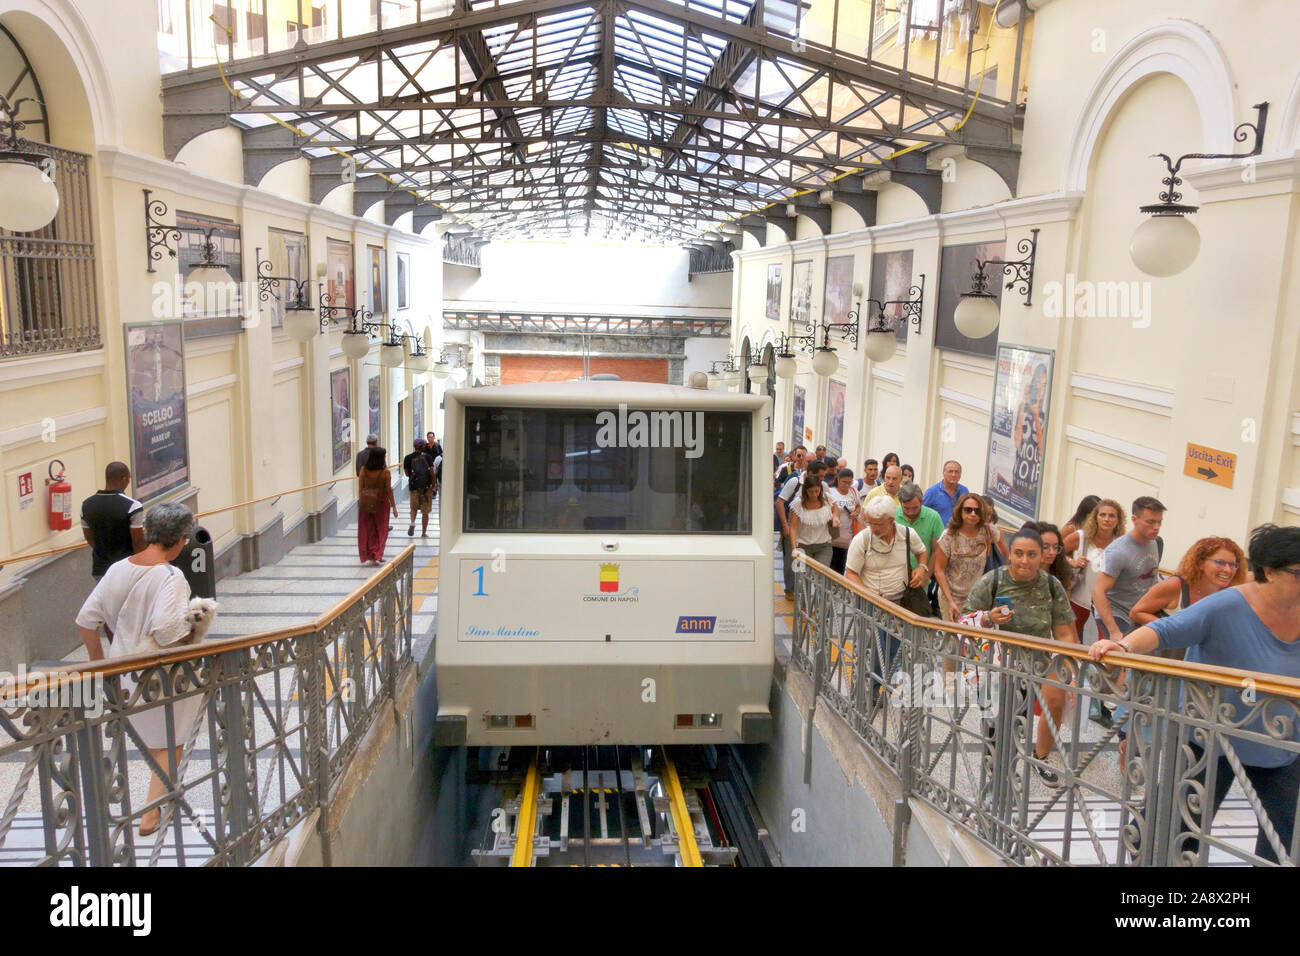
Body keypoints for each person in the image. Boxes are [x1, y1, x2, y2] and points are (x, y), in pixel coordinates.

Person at [1089, 525, 1300, 864]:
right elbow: (1165, 629)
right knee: (1168, 828)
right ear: (1271, 571)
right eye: (1299, 572)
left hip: (1281, 743)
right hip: (1209, 738)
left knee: (1282, 842)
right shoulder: (1228, 605)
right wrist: (1122, 645)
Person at [74, 502, 202, 836]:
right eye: (185, 538)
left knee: (157, 743)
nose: (186, 544)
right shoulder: (171, 577)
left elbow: (86, 620)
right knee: (172, 742)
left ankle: (162, 797)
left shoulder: (117, 569)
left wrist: (99, 663)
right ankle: (150, 813)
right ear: (177, 539)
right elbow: (166, 631)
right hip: (160, 676)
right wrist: (194, 628)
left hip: (123, 673)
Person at [964, 526, 1079, 787]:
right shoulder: (993, 581)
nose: (1024, 561)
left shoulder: (1051, 585)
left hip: (1031, 669)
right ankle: (995, 777)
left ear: (1042, 557)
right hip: (994, 666)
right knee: (995, 725)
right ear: (1010, 555)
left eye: (1031, 554)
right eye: (1018, 553)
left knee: (1018, 723)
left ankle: (1006, 775)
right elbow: (963, 619)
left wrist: (1068, 670)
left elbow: (1064, 634)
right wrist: (987, 617)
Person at [845, 495, 929, 689]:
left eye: (877, 524)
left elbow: (921, 552)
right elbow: (850, 573)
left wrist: (922, 567)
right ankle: (870, 690)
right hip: (871, 603)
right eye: (869, 523)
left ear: (891, 521)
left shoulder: (907, 534)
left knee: (895, 650)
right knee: (876, 650)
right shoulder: (862, 539)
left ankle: (882, 687)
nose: (872, 528)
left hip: (901, 603)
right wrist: (866, 592)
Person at [1062, 498, 1125, 725]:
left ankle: (1102, 702)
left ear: (1119, 521)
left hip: (1105, 606)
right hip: (1078, 599)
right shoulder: (1080, 537)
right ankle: (1067, 688)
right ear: (1095, 517)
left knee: (1106, 651)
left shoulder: (1121, 544)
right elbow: (1054, 551)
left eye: (1112, 516)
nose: (1107, 520)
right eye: (1103, 515)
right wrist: (1071, 561)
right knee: (1070, 645)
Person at [1093, 496, 1166, 644]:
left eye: (1159, 522)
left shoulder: (1153, 542)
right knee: (1119, 659)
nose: (1156, 527)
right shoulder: (1118, 551)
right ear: (1134, 519)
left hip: (1139, 611)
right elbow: (1098, 592)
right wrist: (1114, 631)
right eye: (1151, 522)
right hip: (1118, 614)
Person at [1129, 536, 1247, 626]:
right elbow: (1136, 613)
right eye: (1220, 563)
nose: (1228, 570)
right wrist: (1173, 629)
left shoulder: (1229, 594)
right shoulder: (1175, 585)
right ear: (1200, 563)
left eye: (1233, 565)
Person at [80, 461, 145, 580]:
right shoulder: (133, 506)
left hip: (100, 569)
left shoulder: (86, 505)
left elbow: (89, 538)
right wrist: (143, 568)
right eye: (128, 479)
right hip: (126, 569)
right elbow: (138, 541)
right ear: (124, 479)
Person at [934, 492, 992, 622]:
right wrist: (950, 601)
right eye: (968, 510)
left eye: (977, 511)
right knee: (954, 639)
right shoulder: (949, 536)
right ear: (960, 511)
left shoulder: (986, 532)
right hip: (951, 597)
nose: (973, 514)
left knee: (974, 639)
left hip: (976, 598)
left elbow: (1003, 554)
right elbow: (939, 570)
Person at [777, 459, 824, 600]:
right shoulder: (795, 482)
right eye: (820, 476)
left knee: (802, 563)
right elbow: (779, 503)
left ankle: (801, 592)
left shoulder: (822, 487)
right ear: (810, 473)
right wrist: (785, 525)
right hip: (792, 528)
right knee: (792, 560)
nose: (822, 479)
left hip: (809, 532)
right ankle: (791, 590)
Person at [788, 469, 839, 570]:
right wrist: (794, 549)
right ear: (805, 490)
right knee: (801, 580)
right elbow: (793, 527)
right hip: (803, 546)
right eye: (811, 492)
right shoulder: (798, 503)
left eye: (817, 491)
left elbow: (835, 509)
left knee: (821, 578)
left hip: (824, 546)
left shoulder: (827, 498)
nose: (814, 494)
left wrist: (835, 517)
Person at [358, 446, 399, 565]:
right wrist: (394, 507)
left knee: (369, 530)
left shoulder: (363, 470)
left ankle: (372, 556)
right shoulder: (385, 472)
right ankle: (378, 553)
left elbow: (360, 489)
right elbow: (389, 490)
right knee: (381, 529)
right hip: (381, 504)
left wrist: (362, 504)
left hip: (366, 503)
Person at [896, 482, 943, 575]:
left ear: (921, 502)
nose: (911, 512)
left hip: (922, 575)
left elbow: (937, 551)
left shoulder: (933, 517)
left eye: (914, 508)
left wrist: (926, 576)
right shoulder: (893, 515)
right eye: (906, 508)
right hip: (895, 576)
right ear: (900, 503)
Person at [825, 468, 861, 574]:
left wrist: (856, 512)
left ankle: (836, 589)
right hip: (832, 535)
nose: (847, 485)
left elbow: (858, 506)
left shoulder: (854, 492)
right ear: (838, 479)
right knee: (831, 564)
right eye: (844, 482)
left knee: (842, 565)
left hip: (848, 535)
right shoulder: (831, 492)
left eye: (849, 482)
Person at [1024, 521, 1073, 594]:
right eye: (1046, 547)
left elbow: (1066, 603)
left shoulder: (1063, 575)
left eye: (1055, 547)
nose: (1052, 552)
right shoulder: (1021, 572)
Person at [403, 438, 435, 538]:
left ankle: (412, 523)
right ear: (423, 446)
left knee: (414, 507)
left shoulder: (407, 458)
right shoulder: (428, 457)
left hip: (414, 487)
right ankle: (423, 533)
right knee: (425, 511)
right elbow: (432, 472)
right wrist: (433, 485)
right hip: (426, 487)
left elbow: (407, 473)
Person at [922, 460, 969, 526]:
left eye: (956, 472)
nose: (953, 475)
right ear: (944, 473)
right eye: (950, 471)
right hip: (938, 534)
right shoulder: (932, 491)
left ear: (960, 474)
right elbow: (922, 513)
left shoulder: (964, 491)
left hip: (958, 533)